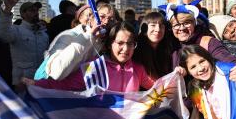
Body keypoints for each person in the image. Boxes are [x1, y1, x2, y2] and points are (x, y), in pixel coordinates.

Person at [23, 22, 155, 92]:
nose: (126, 49)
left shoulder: (138, 69)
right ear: (109, 44)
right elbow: (65, 85)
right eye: (120, 43)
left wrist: (175, 77)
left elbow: (157, 87)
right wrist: (35, 84)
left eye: (130, 43)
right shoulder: (95, 67)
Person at [167, 2, 236, 83]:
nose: (182, 28)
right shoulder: (172, 45)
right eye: (177, 25)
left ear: (194, 23)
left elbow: (231, 61)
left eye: (186, 23)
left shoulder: (208, 42)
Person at [35, 4, 107, 80]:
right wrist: (88, 36)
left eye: (94, 15)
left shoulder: (98, 38)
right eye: (89, 15)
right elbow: (55, 72)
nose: (92, 18)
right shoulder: (67, 35)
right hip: (47, 84)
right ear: (80, 18)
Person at [0, 0, 48, 92]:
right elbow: (1, 34)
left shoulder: (44, 34)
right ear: (23, 14)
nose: (36, 13)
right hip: (22, 83)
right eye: (32, 10)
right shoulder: (16, 30)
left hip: (42, 81)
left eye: (37, 10)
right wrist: (7, 9)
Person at [133, 12, 173, 81]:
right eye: (153, 25)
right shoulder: (135, 51)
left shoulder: (167, 49)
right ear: (144, 28)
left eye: (161, 26)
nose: (158, 29)